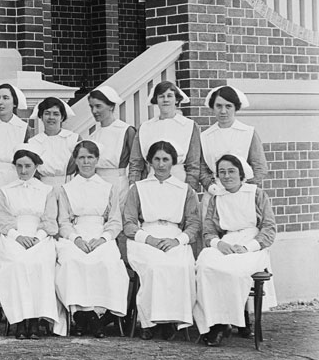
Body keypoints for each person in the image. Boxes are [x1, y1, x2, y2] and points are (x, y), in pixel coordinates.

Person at [195, 155, 277, 346]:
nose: (226, 176)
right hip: (227, 241)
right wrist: (218, 244)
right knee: (205, 264)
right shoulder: (217, 198)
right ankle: (214, 322)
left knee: (233, 270)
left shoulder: (256, 194)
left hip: (252, 244)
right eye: (222, 172)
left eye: (231, 171)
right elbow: (208, 230)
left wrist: (248, 247)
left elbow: (269, 228)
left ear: (241, 173)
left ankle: (231, 320)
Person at [123, 140, 200, 340]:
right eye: (156, 159)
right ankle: (148, 322)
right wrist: (149, 240)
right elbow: (129, 223)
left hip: (175, 237)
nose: (161, 164)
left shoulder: (185, 189)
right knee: (155, 266)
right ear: (149, 162)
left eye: (166, 159)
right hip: (145, 237)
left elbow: (193, 224)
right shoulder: (138, 188)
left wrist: (178, 241)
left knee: (181, 266)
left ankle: (173, 320)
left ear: (173, 162)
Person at [54, 141, 129, 338]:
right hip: (75, 234)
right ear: (76, 160)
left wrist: (103, 238)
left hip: (101, 234)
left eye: (90, 157)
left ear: (97, 159)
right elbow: (63, 221)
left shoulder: (108, 187)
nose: (86, 162)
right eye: (81, 157)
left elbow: (114, 221)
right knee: (72, 261)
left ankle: (98, 314)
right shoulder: (66, 188)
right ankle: (83, 315)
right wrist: (76, 239)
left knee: (107, 261)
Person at [0, 146, 64, 339]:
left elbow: (50, 219)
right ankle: (20, 321)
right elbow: (2, 220)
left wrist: (37, 238)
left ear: (36, 167)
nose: (23, 171)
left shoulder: (46, 190)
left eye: (28, 166)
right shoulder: (6, 190)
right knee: (17, 264)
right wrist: (18, 237)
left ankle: (34, 321)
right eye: (19, 166)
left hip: (40, 236)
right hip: (13, 236)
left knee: (39, 264)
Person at [129, 81, 201, 190]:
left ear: (176, 99)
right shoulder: (145, 127)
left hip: (180, 182)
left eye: (169, 96)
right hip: (151, 182)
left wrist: (190, 190)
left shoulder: (189, 126)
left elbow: (193, 165)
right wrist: (133, 186)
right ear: (156, 100)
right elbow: (136, 164)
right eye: (161, 96)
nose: (165, 100)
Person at [199, 85, 268, 196]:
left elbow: (260, 167)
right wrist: (211, 187)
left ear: (236, 108)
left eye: (228, 106)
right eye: (219, 106)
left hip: (243, 193)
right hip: (215, 194)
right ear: (212, 107)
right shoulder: (205, 136)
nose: (223, 111)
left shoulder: (248, 133)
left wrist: (244, 188)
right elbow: (202, 169)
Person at [83, 85, 136, 199]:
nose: (94, 111)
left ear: (111, 106)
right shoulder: (93, 136)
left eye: (98, 106)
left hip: (119, 185)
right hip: (97, 185)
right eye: (91, 107)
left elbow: (136, 163)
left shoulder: (126, 131)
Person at [27, 97, 79, 188]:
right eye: (47, 113)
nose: (51, 117)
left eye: (56, 114)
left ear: (62, 117)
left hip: (69, 186)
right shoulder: (33, 142)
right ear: (41, 117)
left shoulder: (73, 139)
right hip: (42, 188)